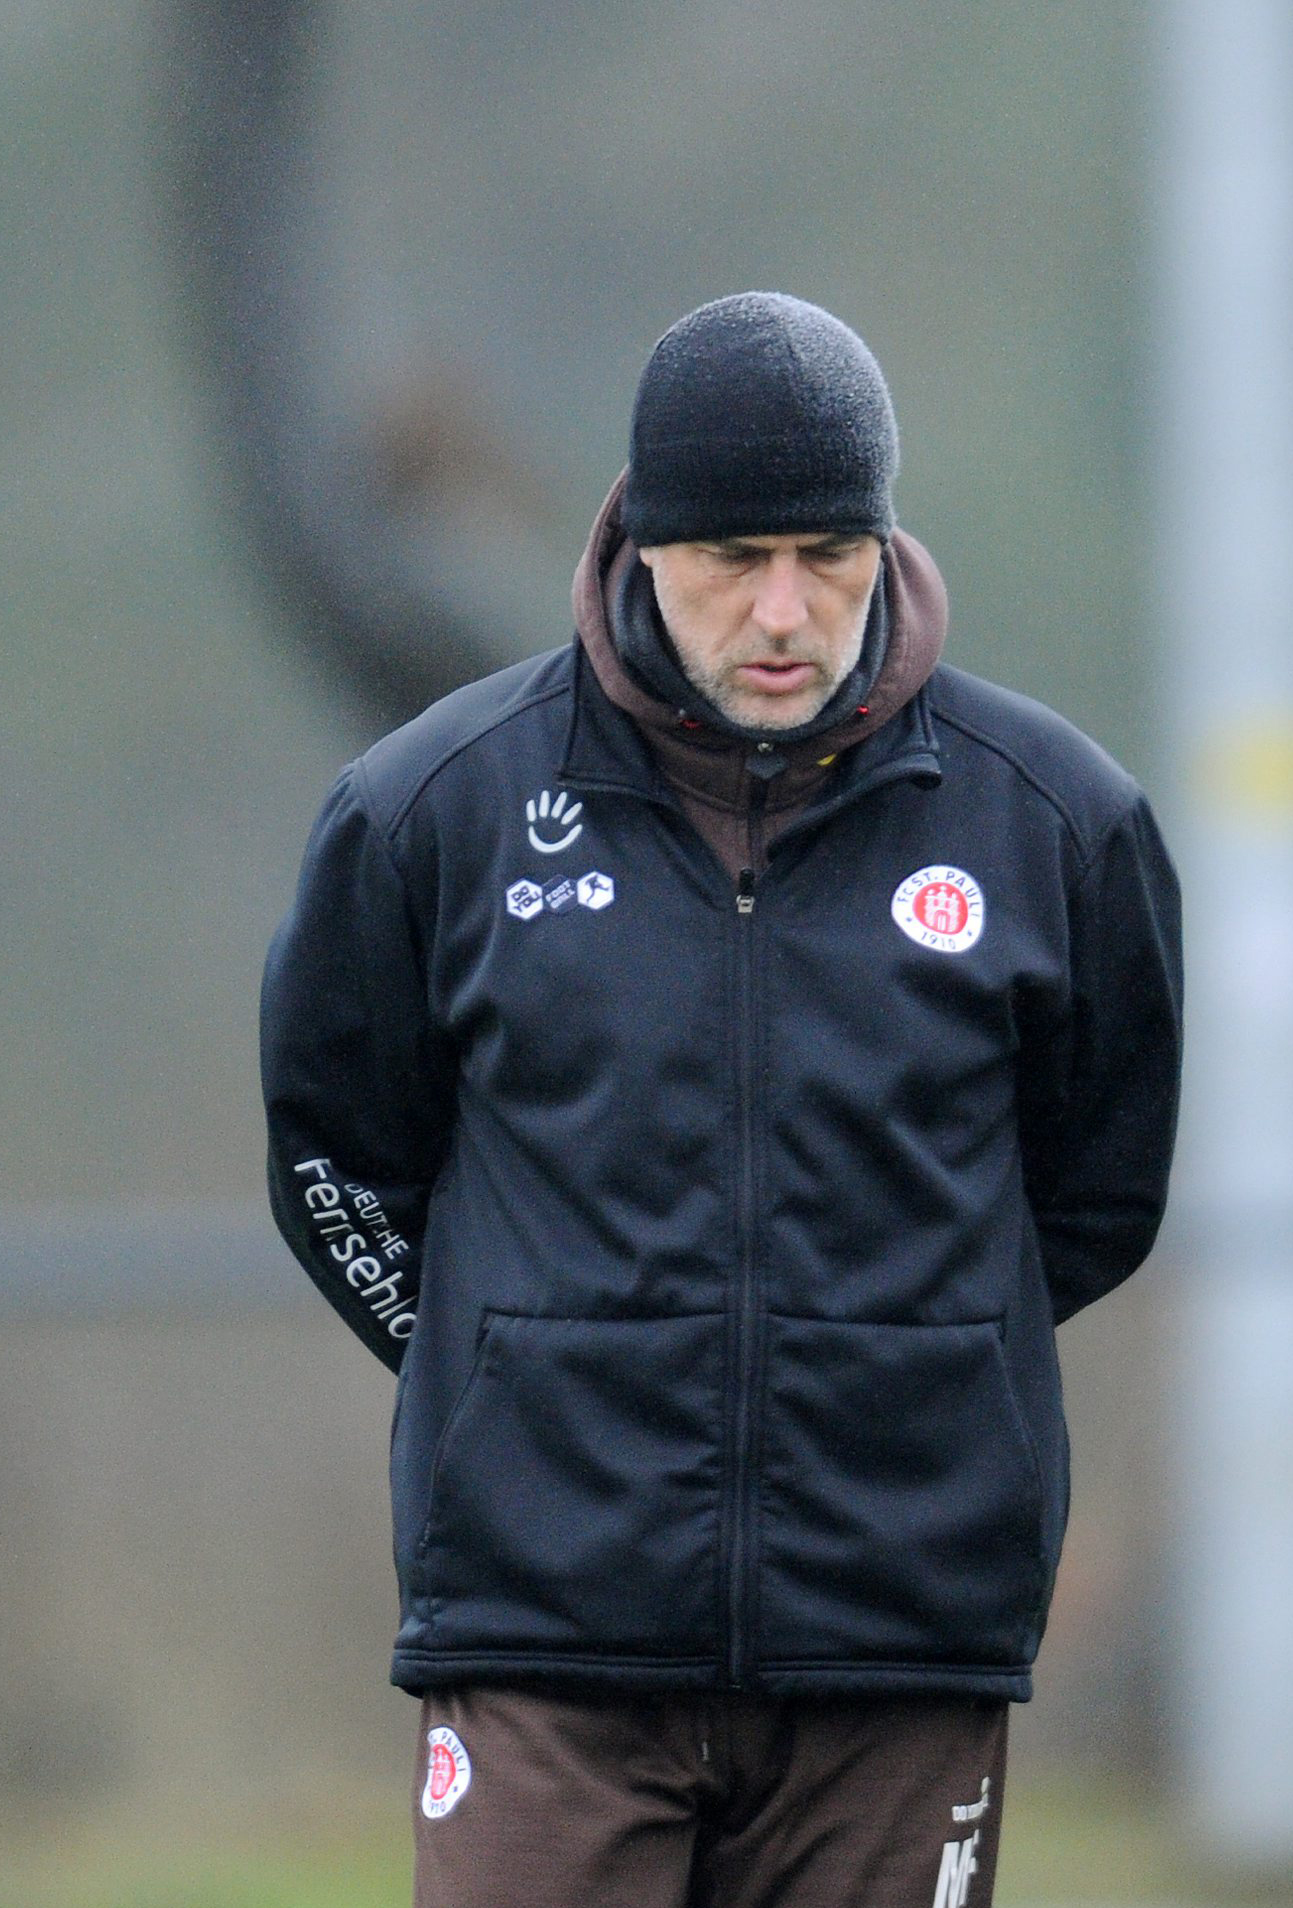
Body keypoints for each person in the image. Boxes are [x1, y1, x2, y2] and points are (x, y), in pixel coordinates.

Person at [261, 291, 1183, 1908]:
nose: (782, 610)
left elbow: (1092, 1196)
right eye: (730, 559)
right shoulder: (431, 813)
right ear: (640, 549)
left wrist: (914, 1347)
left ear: (884, 548)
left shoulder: (1059, 827)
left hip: (902, 1643)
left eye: (829, 555)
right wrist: (507, 1356)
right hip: (546, 1644)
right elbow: (337, 1158)